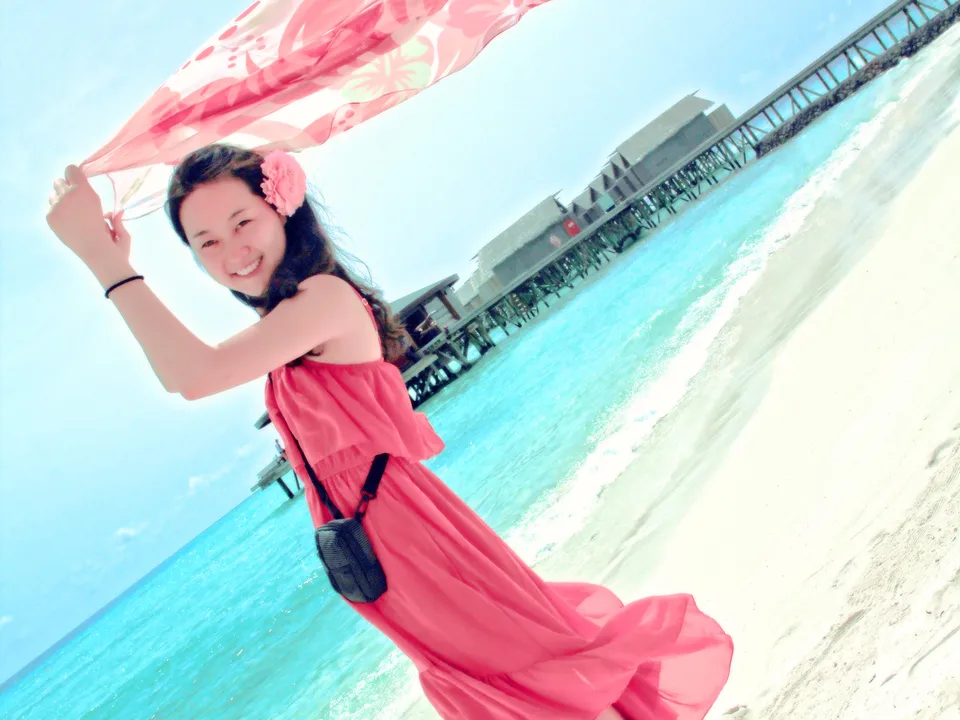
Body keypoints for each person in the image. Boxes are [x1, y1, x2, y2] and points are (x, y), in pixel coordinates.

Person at [46, 145, 733, 719]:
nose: (232, 250)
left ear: (281, 208)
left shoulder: (323, 298)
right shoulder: (287, 322)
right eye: (206, 243)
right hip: (382, 547)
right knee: (502, 683)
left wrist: (104, 262)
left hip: (408, 534)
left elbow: (193, 375)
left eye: (241, 221)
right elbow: (196, 373)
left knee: (520, 674)